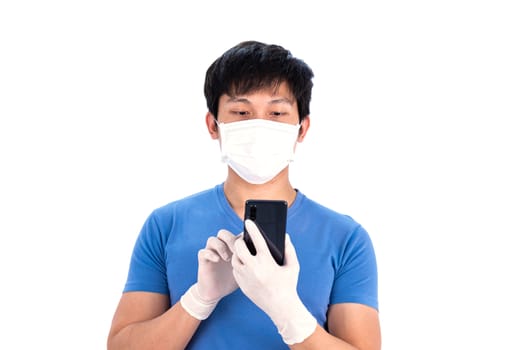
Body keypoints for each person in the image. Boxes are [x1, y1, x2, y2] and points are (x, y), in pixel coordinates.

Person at [107, 40, 381, 350]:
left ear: (301, 129)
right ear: (214, 125)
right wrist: (199, 298)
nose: (259, 125)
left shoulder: (346, 238)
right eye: (241, 111)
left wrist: (287, 311)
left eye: (277, 112)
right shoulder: (166, 225)